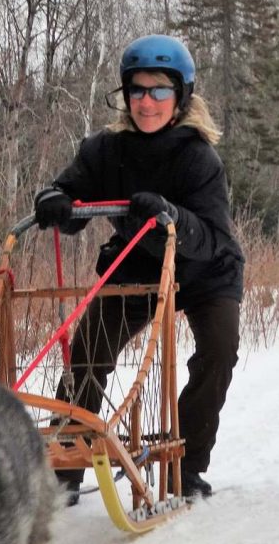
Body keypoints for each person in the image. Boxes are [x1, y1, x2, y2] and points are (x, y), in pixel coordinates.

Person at [33, 34, 244, 504]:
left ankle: (186, 466)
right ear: (126, 95)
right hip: (139, 263)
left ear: (181, 96)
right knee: (88, 350)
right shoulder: (106, 150)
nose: (148, 102)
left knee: (218, 350)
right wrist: (53, 201)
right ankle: (64, 467)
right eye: (138, 90)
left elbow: (209, 237)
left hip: (207, 270)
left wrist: (168, 213)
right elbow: (68, 191)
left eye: (160, 90)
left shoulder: (198, 157)